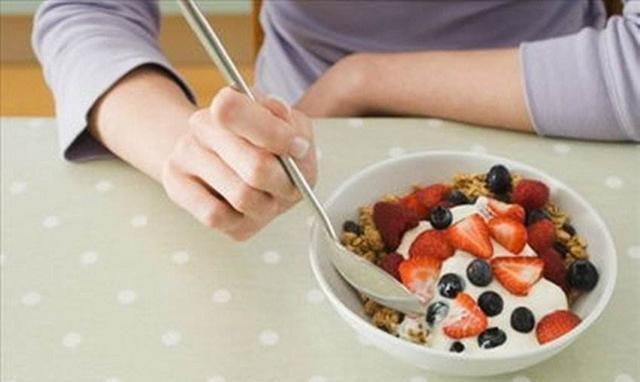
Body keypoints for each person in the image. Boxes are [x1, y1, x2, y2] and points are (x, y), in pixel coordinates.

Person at [33, 0, 639, 240]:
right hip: (299, 152)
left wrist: (365, 79)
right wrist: (184, 148)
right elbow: (84, 12)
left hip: (558, 115)